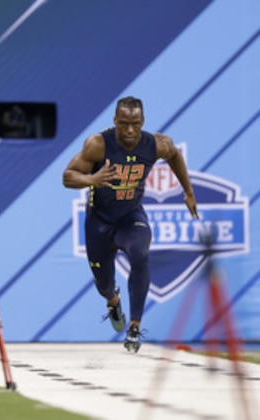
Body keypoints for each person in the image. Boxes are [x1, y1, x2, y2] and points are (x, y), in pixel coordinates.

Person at [62, 96, 199, 352]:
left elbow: (174, 156)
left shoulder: (156, 144)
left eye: (135, 124)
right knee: (103, 283)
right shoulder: (98, 145)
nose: (129, 130)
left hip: (130, 218)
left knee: (140, 253)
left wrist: (188, 192)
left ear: (142, 122)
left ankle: (134, 326)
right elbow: (67, 177)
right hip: (99, 223)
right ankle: (113, 301)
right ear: (115, 121)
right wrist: (92, 178)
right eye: (123, 123)